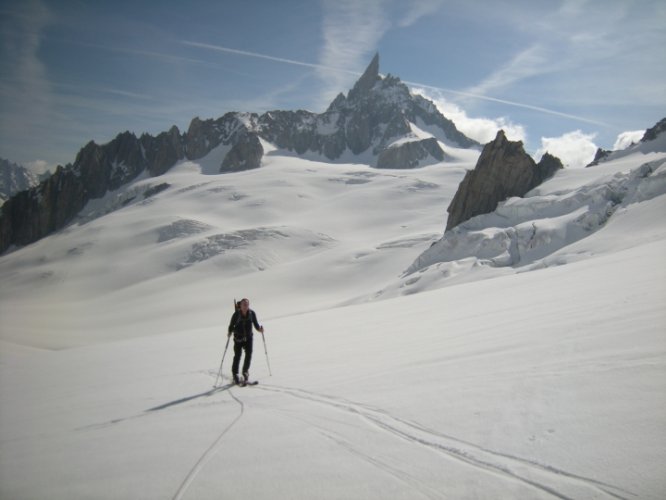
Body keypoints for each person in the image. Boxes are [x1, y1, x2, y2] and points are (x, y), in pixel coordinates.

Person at [228, 298, 264, 384]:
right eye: (244, 304)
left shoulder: (252, 313)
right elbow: (231, 325)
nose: (245, 306)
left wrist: (260, 329)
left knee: (249, 354)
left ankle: (245, 371)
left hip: (248, 338)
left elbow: (256, 324)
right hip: (238, 338)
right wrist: (229, 332)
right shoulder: (236, 314)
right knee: (237, 355)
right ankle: (235, 374)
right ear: (240, 305)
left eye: (247, 304)